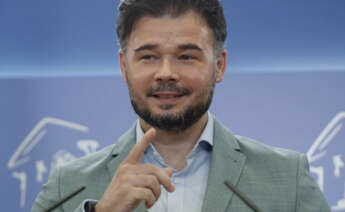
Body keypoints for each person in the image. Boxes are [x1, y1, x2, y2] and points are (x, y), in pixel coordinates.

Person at [32, 0, 330, 211]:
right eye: (148, 57)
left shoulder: (286, 178)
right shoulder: (68, 186)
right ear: (124, 67)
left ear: (219, 66)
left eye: (187, 56)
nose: (166, 73)